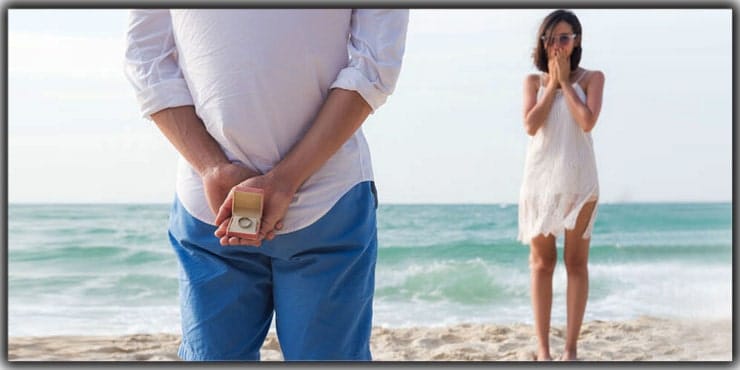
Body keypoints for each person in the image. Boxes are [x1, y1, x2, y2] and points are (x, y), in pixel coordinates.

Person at [124, 9, 408, 361]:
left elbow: (147, 61)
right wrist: (220, 170)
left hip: (318, 200)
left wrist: (226, 170)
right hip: (223, 204)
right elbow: (375, 66)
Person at [518, 9, 605, 361]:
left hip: (580, 180)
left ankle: (570, 349)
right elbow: (530, 125)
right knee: (541, 264)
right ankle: (543, 350)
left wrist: (566, 82)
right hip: (540, 181)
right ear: (544, 42)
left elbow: (586, 122)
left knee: (576, 263)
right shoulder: (532, 83)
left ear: (577, 41)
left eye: (564, 38)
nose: (557, 45)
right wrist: (551, 84)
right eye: (551, 39)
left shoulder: (592, 79)